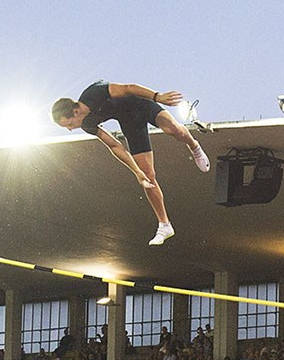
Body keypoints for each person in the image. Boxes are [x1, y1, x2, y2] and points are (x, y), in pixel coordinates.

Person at [51, 81, 210, 245]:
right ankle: (164, 225)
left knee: (172, 129)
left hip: (142, 105)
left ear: (75, 111)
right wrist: (137, 172)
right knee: (147, 177)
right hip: (130, 124)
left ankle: (194, 146)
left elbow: (129, 88)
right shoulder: (87, 124)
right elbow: (114, 146)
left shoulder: (93, 93)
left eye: (69, 124)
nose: (70, 129)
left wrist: (158, 97)